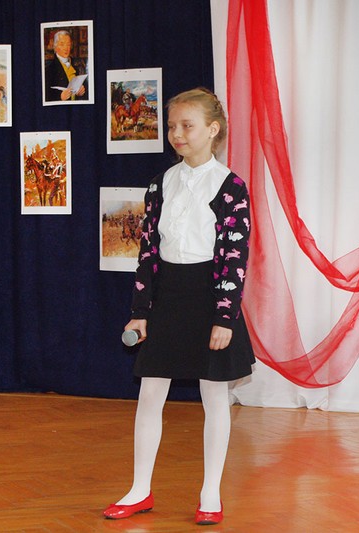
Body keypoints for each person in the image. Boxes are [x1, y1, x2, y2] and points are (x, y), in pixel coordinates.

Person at [103, 88, 254, 526]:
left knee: (214, 395)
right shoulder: (160, 183)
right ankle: (139, 489)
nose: (177, 134)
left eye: (187, 125)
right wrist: (140, 310)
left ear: (213, 129)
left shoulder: (230, 187)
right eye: (172, 126)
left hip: (209, 295)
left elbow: (234, 257)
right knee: (150, 393)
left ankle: (210, 494)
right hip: (167, 296)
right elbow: (148, 251)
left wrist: (224, 316)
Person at [44, 29, 87, 102]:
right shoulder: (49, 69)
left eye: (68, 44)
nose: (66, 48)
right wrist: (60, 97)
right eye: (62, 44)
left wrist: (81, 92)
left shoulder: (78, 64)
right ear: (55, 46)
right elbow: (45, 95)